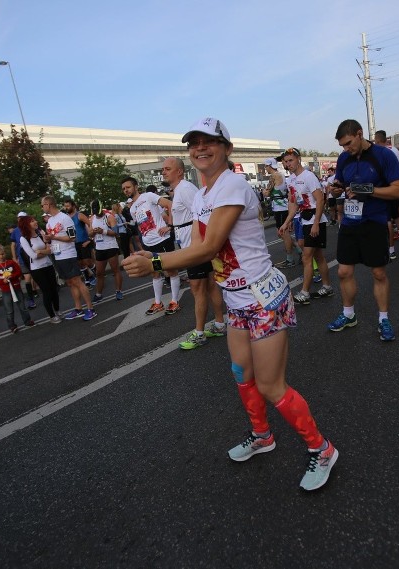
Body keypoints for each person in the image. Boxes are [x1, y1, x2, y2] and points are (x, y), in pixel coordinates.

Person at [123, 117, 338, 491]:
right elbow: (200, 250)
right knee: (242, 374)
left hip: (262, 299)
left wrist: (155, 262)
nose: (200, 149)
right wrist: (166, 256)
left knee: (272, 386)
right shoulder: (204, 195)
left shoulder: (234, 184)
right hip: (237, 301)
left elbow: (206, 249)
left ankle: (321, 449)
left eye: (210, 142)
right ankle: (262, 435)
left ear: (227, 149)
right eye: (194, 143)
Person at [327, 119, 399, 341]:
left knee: (378, 272)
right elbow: (339, 184)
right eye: (342, 145)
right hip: (350, 221)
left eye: (349, 143)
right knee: (343, 271)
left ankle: (383, 318)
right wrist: (334, 190)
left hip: (375, 220)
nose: (346, 149)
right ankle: (348, 314)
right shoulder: (344, 158)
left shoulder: (384, 155)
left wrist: (367, 190)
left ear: (360, 134)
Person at [161, 157, 227, 350]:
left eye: (167, 169)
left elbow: (204, 214)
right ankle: (220, 324)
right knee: (209, 285)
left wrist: (203, 244)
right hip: (192, 244)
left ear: (179, 171)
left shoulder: (186, 189)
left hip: (195, 246)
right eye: (163, 169)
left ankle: (199, 333)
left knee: (198, 289)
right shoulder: (180, 189)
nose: (163, 172)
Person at [278, 148, 334, 304]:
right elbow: (296, 204)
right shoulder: (293, 180)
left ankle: (305, 293)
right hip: (305, 220)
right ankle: (327, 286)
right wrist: (286, 222)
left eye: (291, 160)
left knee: (306, 257)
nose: (288, 164)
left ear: (298, 159)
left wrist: (316, 223)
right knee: (319, 257)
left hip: (315, 221)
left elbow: (320, 200)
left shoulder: (309, 176)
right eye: (286, 161)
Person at [122, 176, 182, 316]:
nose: (126, 190)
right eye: (124, 189)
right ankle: (158, 302)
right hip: (149, 245)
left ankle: (174, 301)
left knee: (171, 271)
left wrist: (170, 226)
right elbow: (141, 226)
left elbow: (169, 205)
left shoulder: (148, 196)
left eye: (128, 187)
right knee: (155, 273)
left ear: (136, 186)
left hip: (162, 241)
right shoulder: (132, 209)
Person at [41, 196, 96, 321]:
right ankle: (78, 308)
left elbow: (72, 237)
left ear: (48, 204)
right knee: (70, 283)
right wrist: (47, 240)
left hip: (68, 254)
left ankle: (90, 308)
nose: (42, 208)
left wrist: (53, 238)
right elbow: (51, 239)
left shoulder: (64, 218)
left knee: (77, 281)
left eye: (42, 205)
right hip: (57, 255)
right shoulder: (49, 221)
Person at [19, 215, 62, 323]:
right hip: (37, 269)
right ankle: (52, 316)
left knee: (54, 290)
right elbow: (33, 256)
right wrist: (44, 251)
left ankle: (57, 310)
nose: (35, 222)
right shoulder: (24, 239)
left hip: (48, 265)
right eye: (32, 221)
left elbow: (51, 250)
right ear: (26, 224)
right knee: (47, 291)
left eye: (34, 220)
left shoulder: (40, 233)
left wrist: (41, 252)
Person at [0, 244, 35, 333]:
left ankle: (27, 321)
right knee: (9, 309)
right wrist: (3, 281)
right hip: (6, 290)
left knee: (22, 306)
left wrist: (11, 276)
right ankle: (12, 326)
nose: (1, 256)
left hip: (16, 287)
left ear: (5, 253)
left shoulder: (11, 263)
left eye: (2, 254)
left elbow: (18, 272)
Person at [263, 157, 297, 268]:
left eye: (266, 166)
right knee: (283, 233)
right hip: (282, 207)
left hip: (280, 208)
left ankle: (290, 260)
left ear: (269, 166)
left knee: (284, 234)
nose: (265, 168)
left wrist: (264, 191)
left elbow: (267, 193)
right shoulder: (281, 174)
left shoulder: (273, 176)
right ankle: (300, 252)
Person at [89, 200, 124, 302]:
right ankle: (99, 294)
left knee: (115, 270)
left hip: (111, 246)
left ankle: (118, 291)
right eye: (95, 212)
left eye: (98, 212)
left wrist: (103, 231)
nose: (97, 214)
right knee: (99, 273)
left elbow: (116, 233)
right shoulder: (92, 218)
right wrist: (93, 233)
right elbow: (90, 234)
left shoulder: (109, 217)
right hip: (99, 248)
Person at [63, 199, 97, 286]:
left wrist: (89, 239)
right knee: (80, 263)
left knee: (88, 262)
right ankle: (88, 279)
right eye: (65, 206)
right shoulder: (65, 218)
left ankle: (98, 275)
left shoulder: (79, 215)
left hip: (83, 242)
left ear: (73, 206)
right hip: (73, 244)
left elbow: (91, 224)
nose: (66, 208)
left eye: (68, 206)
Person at [9, 213, 38, 310]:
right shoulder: (16, 231)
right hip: (22, 257)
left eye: (22, 218)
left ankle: (37, 291)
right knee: (27, 277)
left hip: (34, 257)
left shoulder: (31, 228)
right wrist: (14, 257)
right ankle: (31, 299)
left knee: (36, 276)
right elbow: (13, 244)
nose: (20, 219)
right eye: (19, 218)